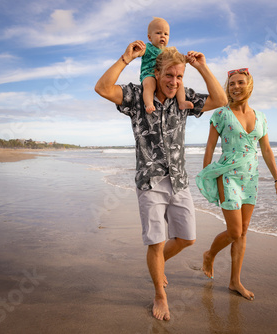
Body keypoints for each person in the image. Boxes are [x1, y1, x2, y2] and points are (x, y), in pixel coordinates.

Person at [95, 41, 227, 320]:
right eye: (169, 75)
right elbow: (103, 88)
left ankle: (156, 265)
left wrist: (201, 67)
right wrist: (125, 58)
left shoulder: (185, 99)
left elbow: (221, 100)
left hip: (179, 180)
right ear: (157, 72)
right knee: (156, 242)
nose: (174, 81)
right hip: (150, 181)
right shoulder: (136, 96)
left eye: (179, 76)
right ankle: (159, 294)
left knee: (187, 238)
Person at [196, 67, 277, 300]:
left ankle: (235, 281)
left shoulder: (261, 117)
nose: (235, 87)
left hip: (250, 177)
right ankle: (210, 254)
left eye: (240, 82)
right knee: (234, 231)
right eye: (232, 83)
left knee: (243, 232)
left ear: (249, 85)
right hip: (227, 175)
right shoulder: (221, 114)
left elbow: (265, 149)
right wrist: (207, 174)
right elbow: (210, 147)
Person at [140, 17, 193, 113]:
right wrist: (137, 50)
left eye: (166, 34)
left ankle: (181, 102)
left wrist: (188, 59)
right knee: (149, 85)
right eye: (158, 33)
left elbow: (177, 61)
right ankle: (149, 104)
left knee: (179, 83)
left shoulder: (167, 51)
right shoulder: (147, 47)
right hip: (149, 73)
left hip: (163, 75)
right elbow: (139, 52)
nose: (162, 36)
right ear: (149, 37)